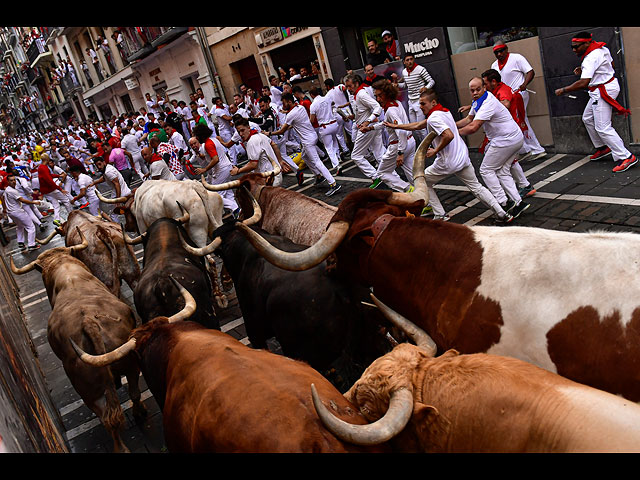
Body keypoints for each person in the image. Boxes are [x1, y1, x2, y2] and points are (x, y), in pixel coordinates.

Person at [388, 89, 514, 224]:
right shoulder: (443, 112)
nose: (420, 107)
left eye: (423, 104)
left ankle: (440, 215)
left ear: (433, 102)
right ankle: (502, 214)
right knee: (477, 187)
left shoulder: (434, 118)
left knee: (422, 182)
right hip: (463, 158)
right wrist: (396, 126)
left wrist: (435, 150)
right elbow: (418, 125)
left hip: (448, 161)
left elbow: (448, 135)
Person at [554, 31, 636, 173]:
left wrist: (564, 89)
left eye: (576, 46)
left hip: (603, 91)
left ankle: (626, 156)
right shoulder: (601, 49)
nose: (574, 50)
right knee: (587, 118)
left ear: (586, 43)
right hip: (603, 87)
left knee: (603, 127)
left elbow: (583, 83)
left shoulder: (591, 58)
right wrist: (586, 70)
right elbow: (610, 64)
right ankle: (603, 148)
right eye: (572, 47)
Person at [457, 77, 529, 219]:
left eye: (478, 89)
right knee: (502, 170)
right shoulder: (478, 101)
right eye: (472, 90)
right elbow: (468, 120)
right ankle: (518, 203)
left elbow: (473, 127)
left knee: (486, 169)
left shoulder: (487, 102)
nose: (475, 92)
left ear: (484, 87)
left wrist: (452, 133)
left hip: (506, 139)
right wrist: (450, 126)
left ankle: (503, 202)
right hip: (513, 138)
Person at [269, 93, 341, 196]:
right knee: (304, 156)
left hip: (308, 141)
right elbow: (293, 124)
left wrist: (269, 133)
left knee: (317, 162)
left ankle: (333, 183)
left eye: (284, 103)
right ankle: (319, 177)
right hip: (312, 136)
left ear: (289, 102)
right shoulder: (300, 107)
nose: (283, 105)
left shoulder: (291, 115)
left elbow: (282, 131)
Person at [480, 69, 536, 199]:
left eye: (485, 83)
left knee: (497, 167)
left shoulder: (503, 90)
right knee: (508, 163)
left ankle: (520, 188)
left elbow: (505, 103)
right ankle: (522, 187)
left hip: (507, 134)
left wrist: (486, 109)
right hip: (507, 133)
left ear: (493, 81)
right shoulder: (498, 89)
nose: (484, 87)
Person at [491, 42, 546, 160]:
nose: (499, 54)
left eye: (501, 50)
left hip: (518, 95)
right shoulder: (494, 65)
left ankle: (533, 149)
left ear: (506, 49)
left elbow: (530, 72)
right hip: (506, 97)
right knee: (518, 120)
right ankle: (529, 149)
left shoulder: (517, 58)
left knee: (519, 120)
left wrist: (524, 84)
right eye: (496, 52)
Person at [361, 79, 414, 193]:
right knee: (412, 175)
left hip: (398, 145)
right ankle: (426, 201)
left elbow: (401, 131)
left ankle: (408, 189)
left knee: (382, 173)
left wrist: (400, 152)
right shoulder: (396, 103)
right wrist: (370, 128)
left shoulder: (390, 110)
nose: (378, 99)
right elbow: (386, 123)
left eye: (380, 96)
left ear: (387, 93)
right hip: (410, 142)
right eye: (377, 96)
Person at [343, 73, 385, 187]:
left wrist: (367, 121)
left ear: (356, 84)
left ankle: (375, 176)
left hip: (367, 129)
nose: (348, 89)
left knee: (356, 156)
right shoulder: (358, 94)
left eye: (350, 86)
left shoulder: (361, 94)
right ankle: (388, 175)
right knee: (379, 152)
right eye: (347, 87)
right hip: (370, 127)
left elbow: (377, 107)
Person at [189, 124, 239, 215]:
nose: (196, 138)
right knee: (227, 192)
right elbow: (210, 156)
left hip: (221, 170)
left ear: (201, 135)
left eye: (196, 136)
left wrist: (205, 169)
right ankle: (236, 211)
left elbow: (215, 159)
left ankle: (234, 208)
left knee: (215, 195)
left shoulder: (208, 144)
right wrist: (199, 155)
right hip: (227, 167)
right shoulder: (213, 140)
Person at [231, 117, 286, 188]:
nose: (241, 134)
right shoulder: (261, 135)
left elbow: (253, 164)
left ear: (248, 128)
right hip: (276, 174)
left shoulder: (252, 141)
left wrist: (238, 171)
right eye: (239, 132)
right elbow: (274, 145)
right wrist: (280, 161)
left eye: (242, 130)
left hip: (269, 179)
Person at [398, 53, 436, 143]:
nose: (410, 61)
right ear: (404, 62)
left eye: (411, 59)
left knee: (421, 127)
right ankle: (423, 146)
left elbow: (431, 81)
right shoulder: (404, 72)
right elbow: (405, 86)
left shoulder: (420, 69)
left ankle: (428, 146)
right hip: (410, 101)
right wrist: (396, 85)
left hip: (420, 101)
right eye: (407, 60)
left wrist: (426, 88)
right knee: (414, 127)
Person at [2, 174, 41, 252]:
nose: (13, 182)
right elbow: (22, 200)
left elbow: (3, 198)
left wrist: (4, 209)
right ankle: (31, 245)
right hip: (18, 212)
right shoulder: (12, 191)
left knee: (20, 226)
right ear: (8, 182)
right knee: (31, 227)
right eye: (11, 180)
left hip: (11, 213)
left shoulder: (7, 190)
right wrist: (34, 202)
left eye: (14, 180)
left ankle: (20, 242)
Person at [309, 87, 342, 174]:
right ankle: (338, 157)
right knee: (335, 142)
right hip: (334, 124)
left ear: (312, 95)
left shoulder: (313, 105)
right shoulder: (327, 98)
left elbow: (311, 120)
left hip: (325, 127)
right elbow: (333, 103)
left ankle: (337, 165)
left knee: (329, 148)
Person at [92, 156, 132, 222]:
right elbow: (104, 178)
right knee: (129, 210)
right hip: (126, 192)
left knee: (113, 214)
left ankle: (118, 229)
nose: (99, 167)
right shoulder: (108, 168)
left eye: (100, 164)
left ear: (104, 162)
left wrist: (118, 199)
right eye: (97, 166)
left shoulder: (108, 172)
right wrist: (94, 183)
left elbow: (117, 184)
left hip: (120, 194)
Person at [37, 153, 72, 226]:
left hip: (46, 191)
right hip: (51, 189)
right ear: (47, 159)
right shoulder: (44, 168)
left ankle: (57, 219)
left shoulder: (40, 167)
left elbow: (48, 176)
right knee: (66, 200)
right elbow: (49, 180)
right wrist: (60, 189)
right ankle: (72, 215)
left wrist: (58, 175)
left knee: (56, 205)